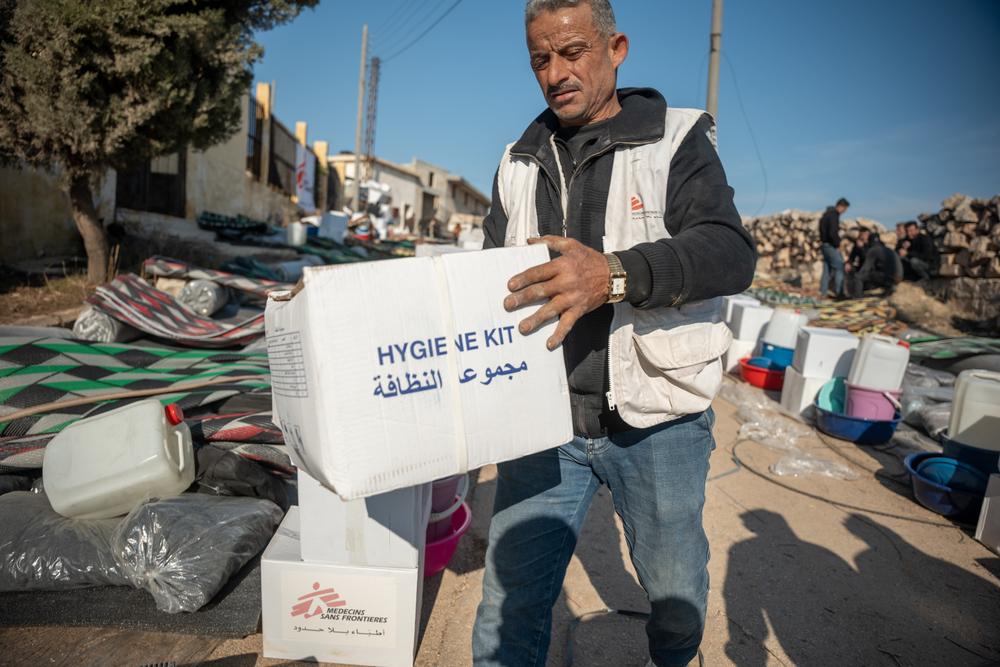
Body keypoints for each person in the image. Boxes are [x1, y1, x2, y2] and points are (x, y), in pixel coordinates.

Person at [472, 2, 756, 666]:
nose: (555, 72)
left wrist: (615, 275)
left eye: (572, 52)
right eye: (541, 58)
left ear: (616, 46)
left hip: (658, 420)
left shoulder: (676, 139)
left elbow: (728, 253)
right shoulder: (517, 162)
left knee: (675, 593)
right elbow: (486, 277)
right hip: (543, 426)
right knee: (504, 611)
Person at [818, 197, 850, 298]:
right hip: (831, 246)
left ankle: (823, 293)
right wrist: (837, 244)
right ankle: (839, 293)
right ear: (841, 206)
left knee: (827, 269)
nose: (844, 212)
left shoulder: (826, 215)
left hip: (824, 245)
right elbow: (833, 233)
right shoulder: (834, 216)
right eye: (845, 209)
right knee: (839, 268)